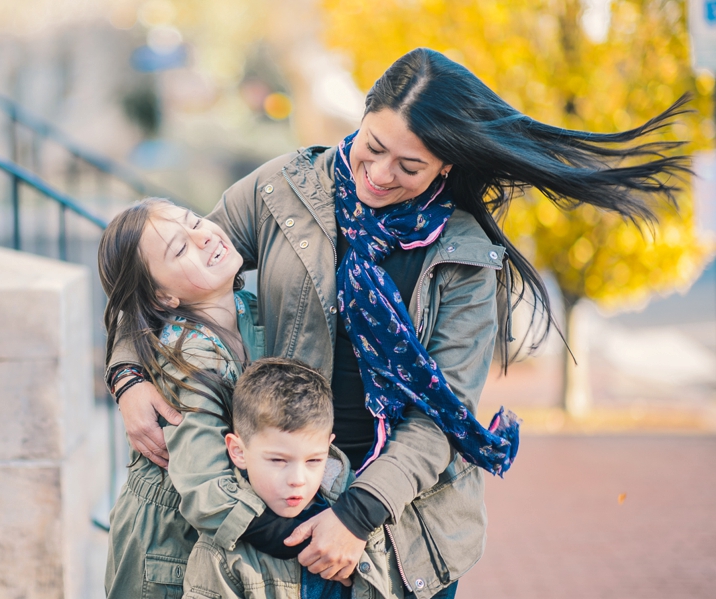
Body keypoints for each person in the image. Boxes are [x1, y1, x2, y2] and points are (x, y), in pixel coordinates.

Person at [111, 48, 690, 598]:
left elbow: (439, 418)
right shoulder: (282, 190)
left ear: (446, 163)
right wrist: (129, 376)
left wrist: (355, 515)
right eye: (374, 146)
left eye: (409, 165)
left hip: (398, 526)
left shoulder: (464, 255)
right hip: (279, 503)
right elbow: (161, 273)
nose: (381, 175)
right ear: (361, 116)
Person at [99, 198, 268, 598]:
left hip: (213, 529)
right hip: (164, 548)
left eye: (196, 221)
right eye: (180, 248)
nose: (203, 236)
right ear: (162, 298)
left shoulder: (251, 310)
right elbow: (203, 484)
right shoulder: (188, 353)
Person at [184, 358, 393, 599]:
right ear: (238, 451)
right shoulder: (219, 553)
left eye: (314, 461)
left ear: (328, 448)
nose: (297, 480)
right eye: (278, 461)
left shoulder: (358, 526)